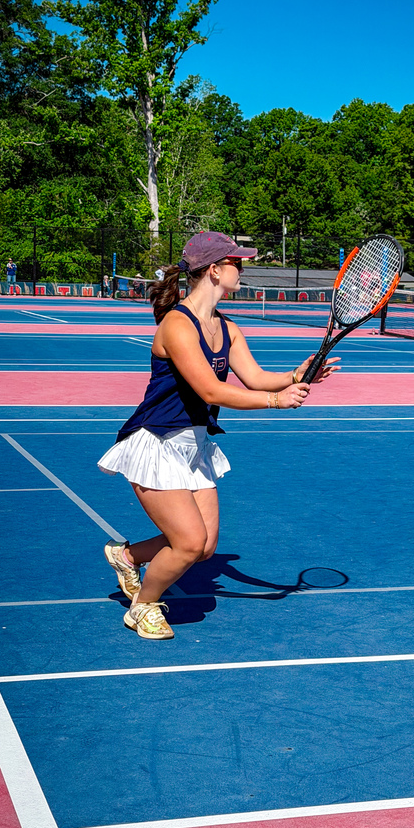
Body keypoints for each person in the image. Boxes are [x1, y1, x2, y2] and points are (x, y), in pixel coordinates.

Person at [98, 231, 338, 640]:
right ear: (214, 270)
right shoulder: (177, 325)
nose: (241, 269)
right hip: (156, 443)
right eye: (236, 263)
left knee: (205, 547)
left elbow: (257, 378)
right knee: (189, 543)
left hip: (195, 444)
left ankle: (128, 555)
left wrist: (295, 376)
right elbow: (210, 390)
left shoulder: (227, 328)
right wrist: (275, 402)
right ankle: (142, 607)